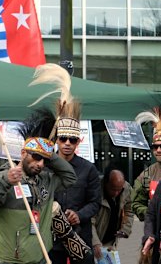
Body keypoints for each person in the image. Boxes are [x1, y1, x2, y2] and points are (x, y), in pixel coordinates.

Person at [0, 108, 77, 264]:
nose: (40, 164)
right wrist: (5, 182)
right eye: (36, 157)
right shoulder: (4, 178)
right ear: (23, 153)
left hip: (42, 257)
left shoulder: (46, 180)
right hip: (12, 260)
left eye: (45, 161)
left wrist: (48, 151)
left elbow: (70, 177)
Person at [50, 100, 101, 264]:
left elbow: (95, 202)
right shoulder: (45, 168)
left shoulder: (89, 169)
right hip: (51, 238)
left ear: (78, 141)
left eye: (72, 139)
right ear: (57, 140)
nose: (67, 143)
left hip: (80, 236)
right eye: (63, 138)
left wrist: (79, 215)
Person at [91, 169, 134, 260]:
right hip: (93, 241)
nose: (116, 193)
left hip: (110, 242)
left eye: (119, 190)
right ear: (106, 183)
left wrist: (125, 229)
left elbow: (129, 210)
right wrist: (95, 242)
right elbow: (90, 221)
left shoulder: (126, 188)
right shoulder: (95, 191)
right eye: (113, 189)